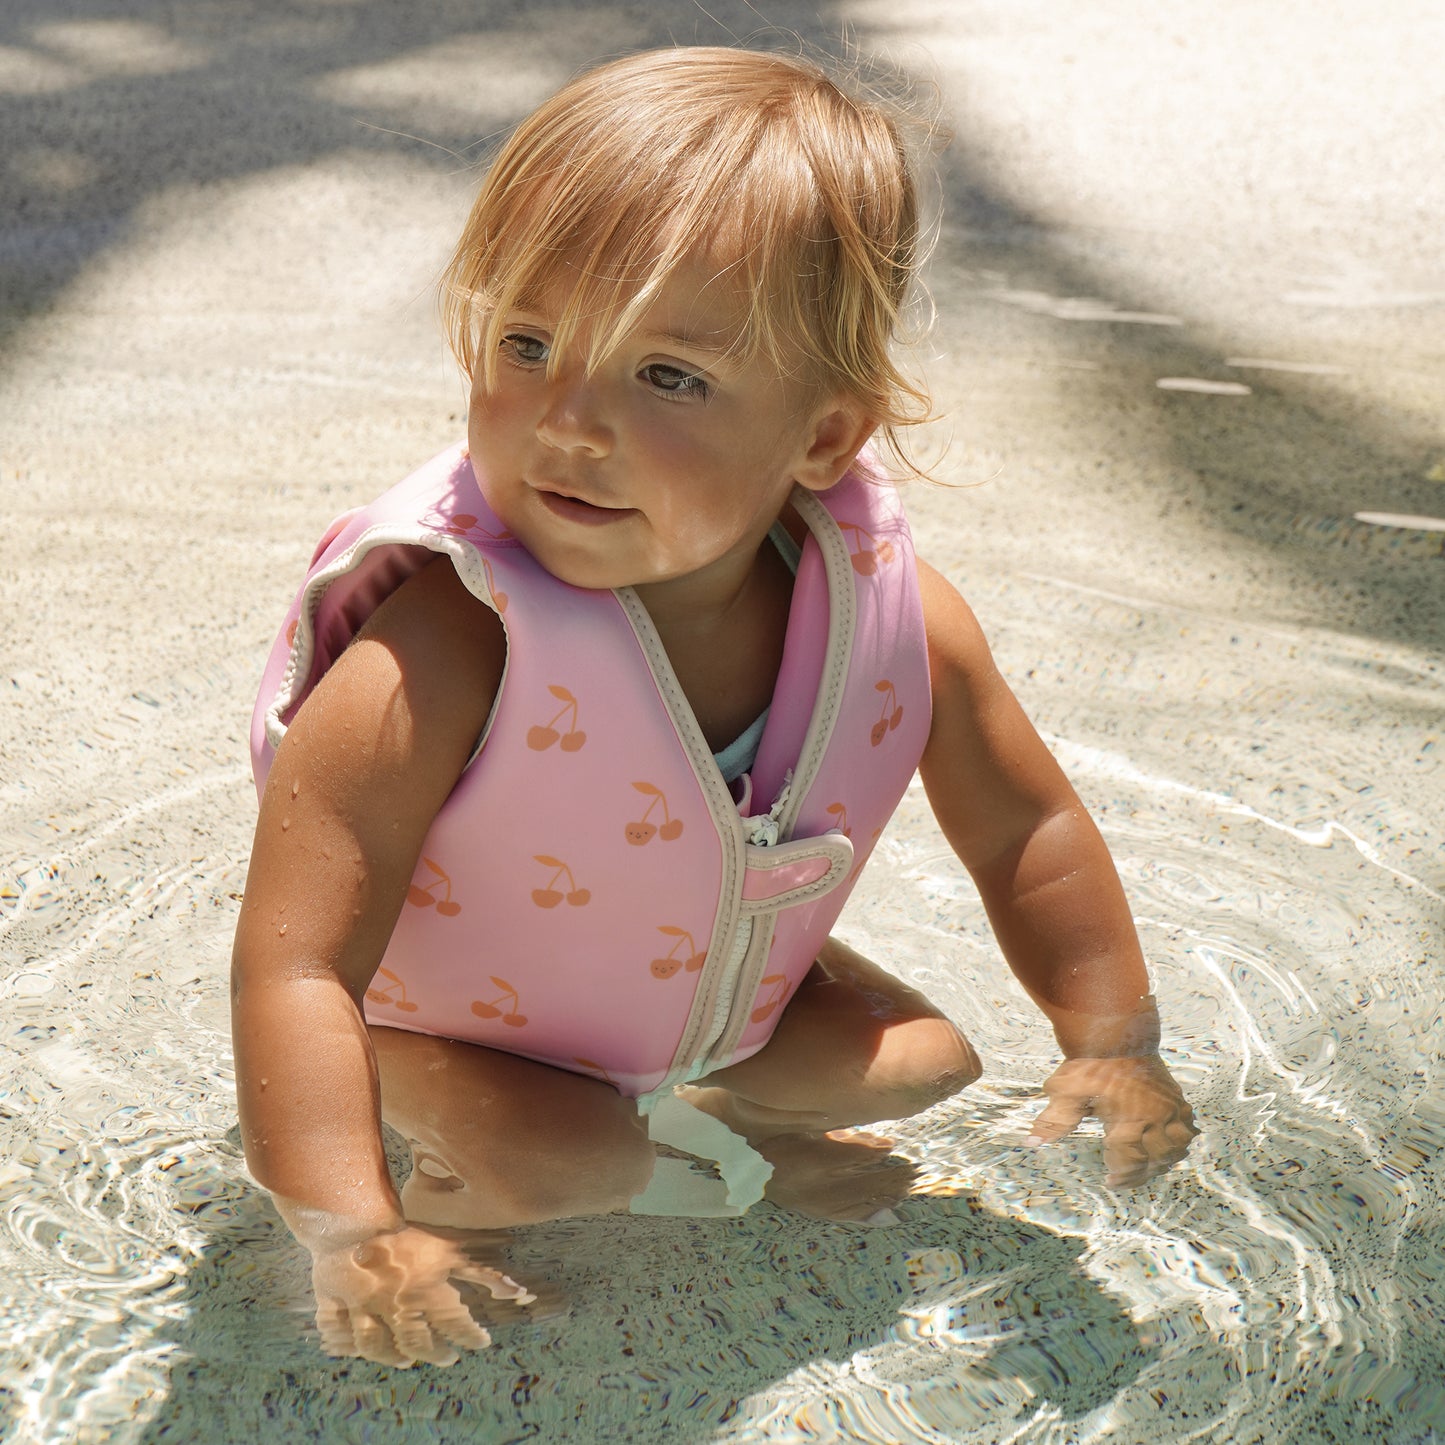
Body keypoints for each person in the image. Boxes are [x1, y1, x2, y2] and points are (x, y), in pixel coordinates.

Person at [230, 45, 1197, 1369]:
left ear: (822, 437)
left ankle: (731, 1121)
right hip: (440, 1027)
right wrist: (347, 1224)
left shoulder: (895, 620)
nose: (569, 423)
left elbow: (1027, 830)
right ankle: (448, 1181)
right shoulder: (447, 646)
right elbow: (294, 964)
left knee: (921, 1061)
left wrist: (1113, 1039)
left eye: (668, 376)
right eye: (528, 344)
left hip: (693, 996)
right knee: (566, 1159)